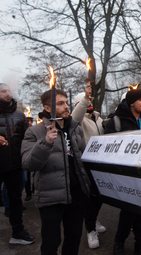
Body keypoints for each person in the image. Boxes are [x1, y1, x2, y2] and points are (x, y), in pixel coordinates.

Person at [21, 88, 91, 255]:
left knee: (73, 240)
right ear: (47, 108)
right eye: (60, 104)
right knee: (51, 243)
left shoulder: (75, 128)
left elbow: (82, 158)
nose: (66, 106)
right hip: (51, 198)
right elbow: (28, 164)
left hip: (76, 196)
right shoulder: (34, 132)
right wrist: (45, 143)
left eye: (66, 102)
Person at [105, 89, 141, 255]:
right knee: (129, 209)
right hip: (125, 172)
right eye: (140, 100)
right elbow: (108, 147)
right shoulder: (116, 121)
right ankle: (119, 243)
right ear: (131, 103)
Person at [71, 80, 106, 249]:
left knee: (99, 196)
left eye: (90, 101)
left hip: (101, 163)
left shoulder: (98, 119)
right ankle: (90, 230)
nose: (89, 104)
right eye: (86, 102)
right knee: (91, 197)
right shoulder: (79, 121)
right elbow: (75, 116)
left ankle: (93, 219)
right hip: (87, 164)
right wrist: (83, 99)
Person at [0, 83, 35, 245]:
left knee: (15, 200)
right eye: (3, 91)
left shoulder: (20, 115)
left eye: (8, 90)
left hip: (14, 165)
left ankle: (18, 233)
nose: (7, 93)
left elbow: (26, 140)